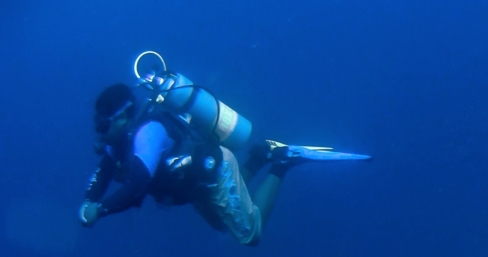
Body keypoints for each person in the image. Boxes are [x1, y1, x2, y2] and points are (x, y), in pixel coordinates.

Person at [79, 54, 368, 246]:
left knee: (250, 234)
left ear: (124, 116)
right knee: (219, 224)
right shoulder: (118, 143)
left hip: (216, 171)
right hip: (199, 184)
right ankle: (260, 156)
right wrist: (88, 201)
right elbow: (104, 171)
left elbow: (137, 185)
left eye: (104, 123)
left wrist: (101, 210)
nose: (99, 130)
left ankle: (283, 162)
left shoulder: (147, 135)